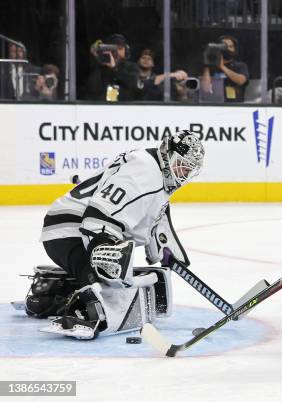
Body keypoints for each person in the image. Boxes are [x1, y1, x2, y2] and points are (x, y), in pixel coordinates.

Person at [24, 131, 205, 340]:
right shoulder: (145, 169)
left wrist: (168, 255)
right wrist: (104, 257)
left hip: (76, 228)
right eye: (181, 164)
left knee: (117, 287)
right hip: (66, 230)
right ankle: (76, 308)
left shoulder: (158, 176)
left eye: (189, 169)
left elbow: (156, 225)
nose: (183, 172)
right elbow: (99, 217)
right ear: (168, 153)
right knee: (111, 296)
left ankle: (53, 294)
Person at [86, 33, 140, 101]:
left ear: (125, 50)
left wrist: (115, 68)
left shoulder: (131, 67)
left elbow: (134, 84)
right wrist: (97, 59)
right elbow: (91, 89)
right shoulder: (101, 67)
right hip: (102, 108)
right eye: (113, 48)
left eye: (120, 48)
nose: (116, 52)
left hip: (125, 108)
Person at [201, 35, 249, 102]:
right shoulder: (210, 67)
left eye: (230, 46)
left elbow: (241, 81)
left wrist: (222, 67)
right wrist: (207, 64)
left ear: (234, 50)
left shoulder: (240, 66)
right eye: (224, 46)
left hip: (235, 106)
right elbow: (205, 89)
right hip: (213, 105)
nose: (227, 49)